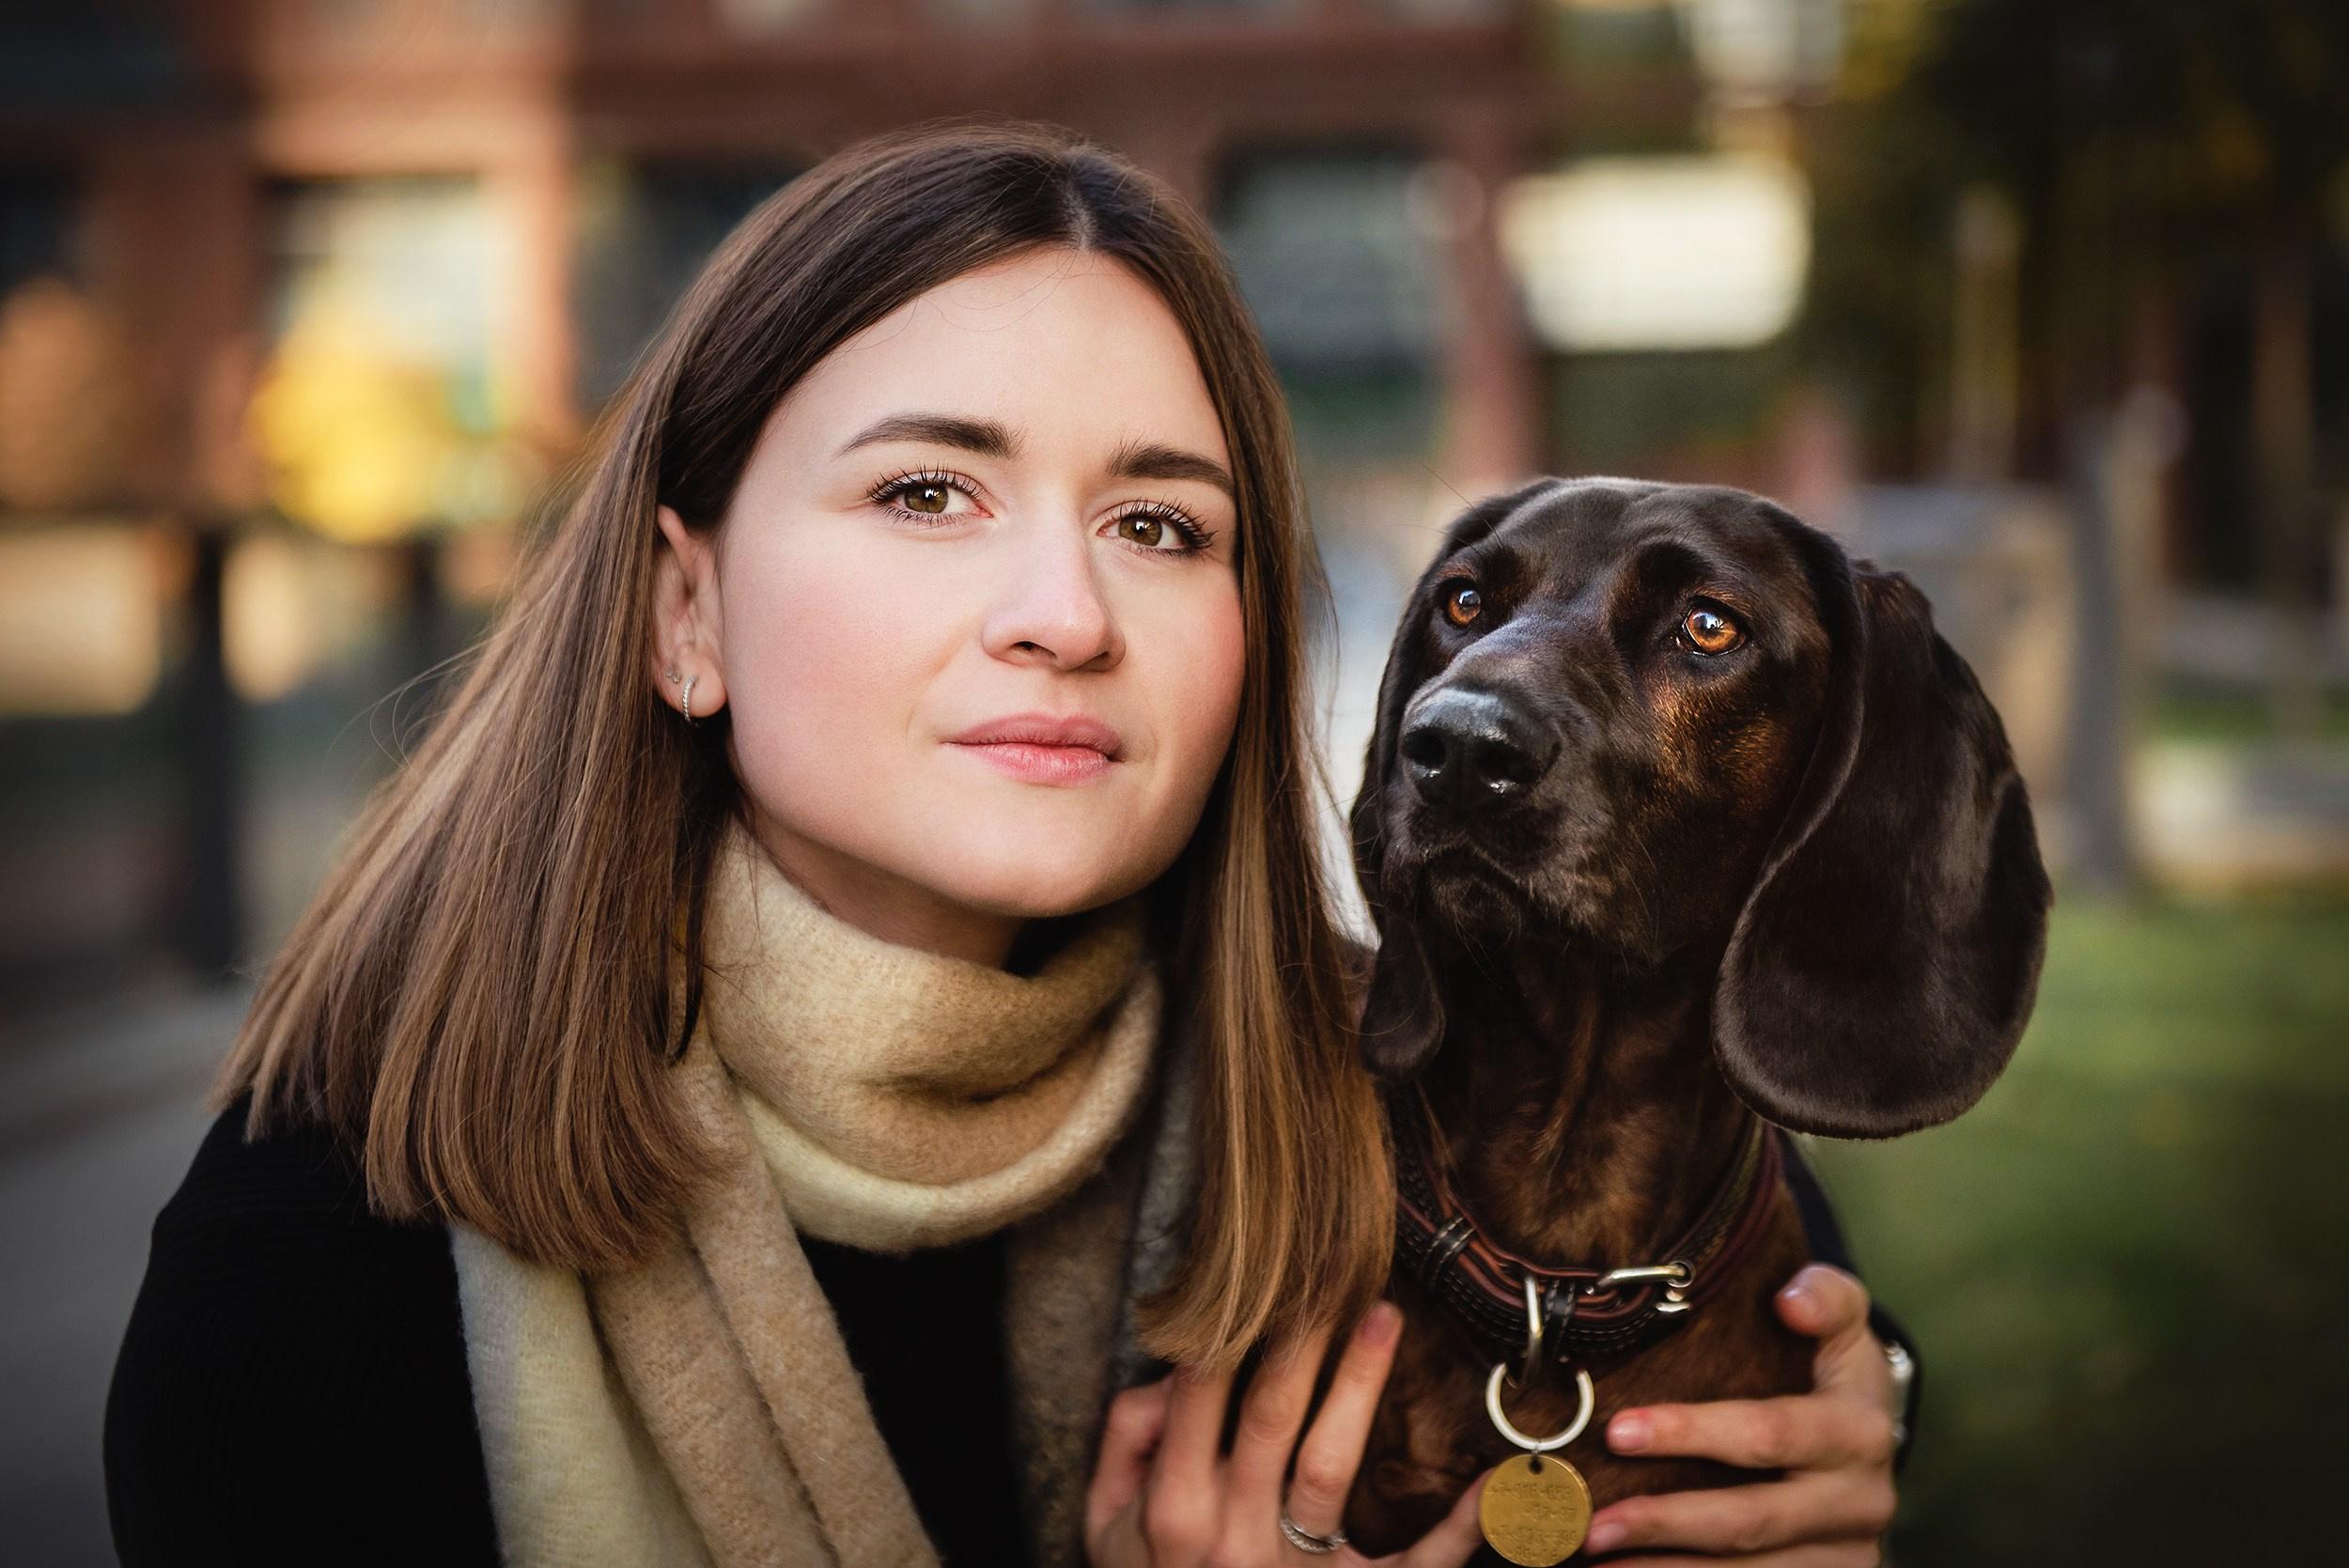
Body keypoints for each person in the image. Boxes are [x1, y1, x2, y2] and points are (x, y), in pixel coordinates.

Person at [105, 123, 1901, 1568]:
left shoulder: (1466, 1096)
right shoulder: (319, 1254)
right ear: (685, 612)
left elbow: (1785, 1306)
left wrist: (1865, 1423)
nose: (1064, 610)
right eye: (926, 492)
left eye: (1158, 521)